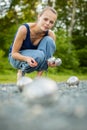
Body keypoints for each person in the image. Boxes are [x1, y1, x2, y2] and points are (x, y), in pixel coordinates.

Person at [8, 6, 58, 80]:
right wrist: (26, 59)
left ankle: (37, 80)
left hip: (36, 59)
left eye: (51, 22)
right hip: (16, 58)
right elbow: (14, 54)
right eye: (45, 19)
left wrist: (50, 62)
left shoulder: (51, 35)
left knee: (49, 41)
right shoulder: (24, 29)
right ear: (39, 17)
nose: (47, 23)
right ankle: (21, 73)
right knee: (39, 55)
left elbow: (47, 58)